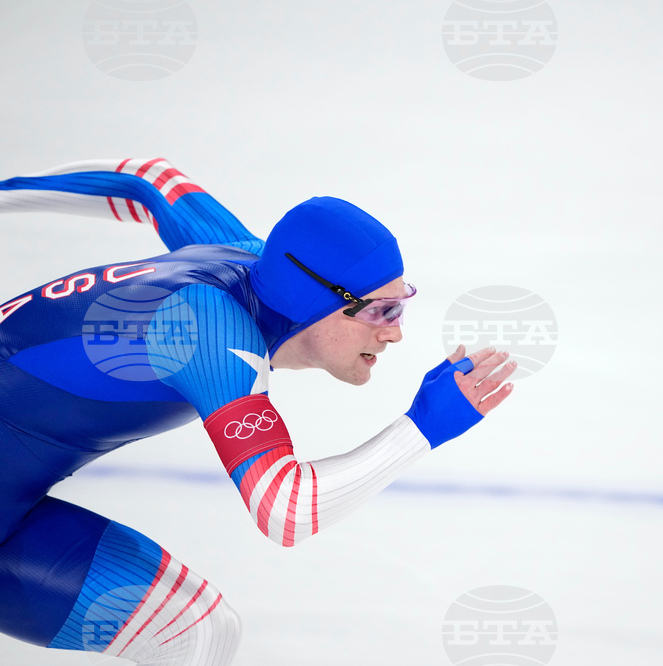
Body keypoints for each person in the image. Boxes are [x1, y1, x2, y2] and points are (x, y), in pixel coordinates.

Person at [0, 157, 516, 665]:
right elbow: (284, 511)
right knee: (194, 632)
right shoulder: (207, 333)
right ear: (317, 300)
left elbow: (148, 179)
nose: (395, 331)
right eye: (381, 310)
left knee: (199, 631)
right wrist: (423, 426)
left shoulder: (252, 260)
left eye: (400, 302)